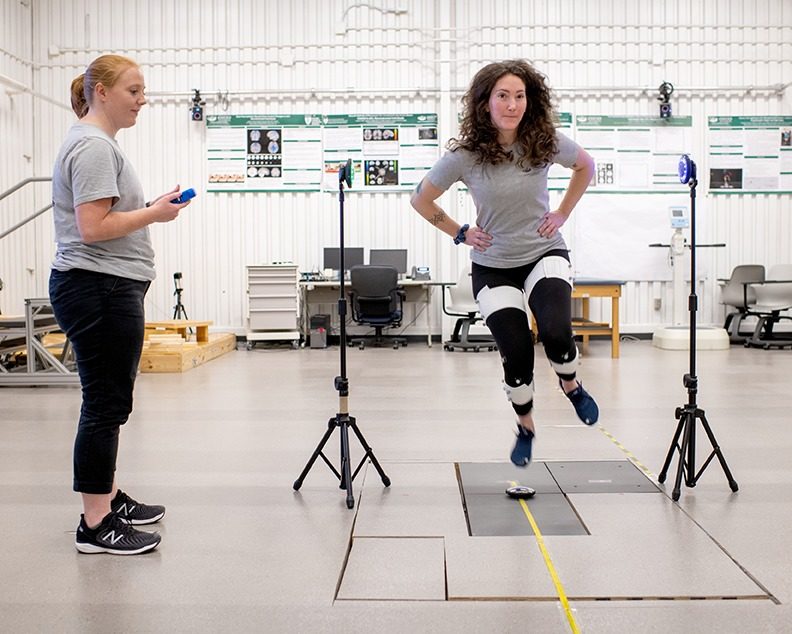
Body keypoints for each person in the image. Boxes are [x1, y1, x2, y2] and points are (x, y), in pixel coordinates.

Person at [410, 59, 599, 467]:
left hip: (542, 252)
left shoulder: (545, 141)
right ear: (485, 103)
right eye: (502, 96)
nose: (512, 104)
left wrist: (563, 213)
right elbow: (420, 199)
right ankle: (526, 427)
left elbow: (586, 166)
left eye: (519, 96)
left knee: (555, 331)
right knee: (516, 351)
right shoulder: (465, 156)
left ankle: (571, 386)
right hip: (493, 265)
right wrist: (460, 232)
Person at [49, 54, 191, 554]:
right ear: (101, 92)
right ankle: (94, 524)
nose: (143, 99)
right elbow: (92, 229)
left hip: (106, 286)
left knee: (109, 401)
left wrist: (150, 208)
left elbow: (104, 217)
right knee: (105, 404)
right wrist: (154, 213)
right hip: (97, 287)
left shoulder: (98, 144)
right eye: (134, 90)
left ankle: (105, 498)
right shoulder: (91, 146)